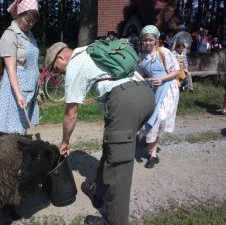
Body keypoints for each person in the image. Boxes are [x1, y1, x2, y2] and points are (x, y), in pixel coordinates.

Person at [45, 41, 155, 224]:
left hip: (125, 101)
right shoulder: (89, 50)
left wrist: (65, 141)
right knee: (112, 147)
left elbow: (71, 114)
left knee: (119, 166)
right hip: (145, 95)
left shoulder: (74, 65)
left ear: (61, 57)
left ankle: (113, 221)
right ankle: (97, 190)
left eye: (56, 68)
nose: (58, 73)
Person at [0, 0, 40, 134]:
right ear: (18, 15)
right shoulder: (10, 35)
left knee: (22, 128)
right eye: (28, 20)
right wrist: (18, 94)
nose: (30, 24)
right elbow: (11, 69)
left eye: (33, 21)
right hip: (15, 91)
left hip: (29, 89)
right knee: (12, 130)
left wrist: (38, 83)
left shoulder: (29, 35)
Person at [138, 25, 180, 169]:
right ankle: (152, 151)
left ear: (156, 40)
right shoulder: (141, 56)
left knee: (160, 118)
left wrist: (162, 79)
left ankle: (152, 152)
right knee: (152, 118)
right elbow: (140, 74)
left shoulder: (164, 52)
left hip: (168, 89)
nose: (147, 43)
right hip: (152, 91)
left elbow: (176, 71)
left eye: (150, 40)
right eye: (145, 40)